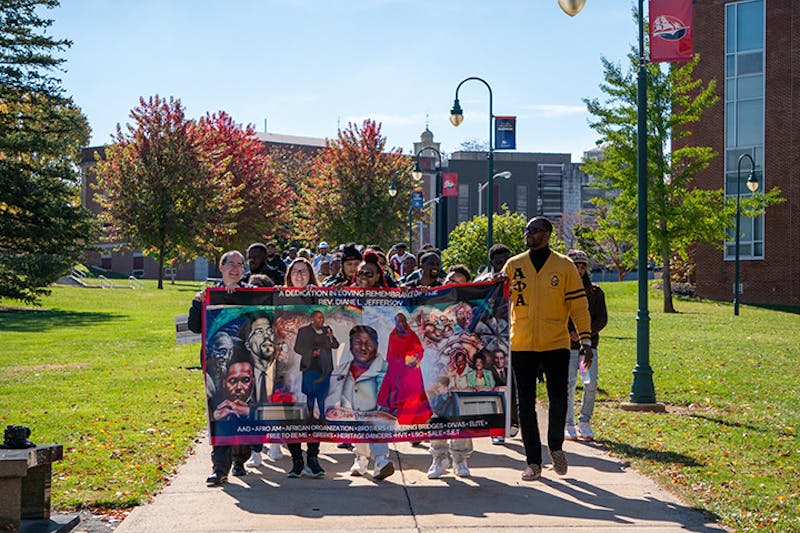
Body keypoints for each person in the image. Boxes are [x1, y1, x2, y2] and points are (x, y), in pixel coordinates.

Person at [500, 216, 592, 481]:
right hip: (522, 343)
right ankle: (533, 462)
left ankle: (555, 447)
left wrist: (585, 340)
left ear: (547, 234)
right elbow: (495, 299)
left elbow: (578, 306)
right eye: (527, 230)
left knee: (558, 398)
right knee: (525, 404)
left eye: (534, 230)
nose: (528, 233)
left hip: (555, 343)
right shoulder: (514, 265)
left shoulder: (564, 266)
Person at [188, 251, 254, 486]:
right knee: (220, 414)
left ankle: (240, 459)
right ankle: (219, 468)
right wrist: (197, 304)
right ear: (221, 267)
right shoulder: (209, 295)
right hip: (216, 366)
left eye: (240, 264)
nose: (235, 268)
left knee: (242, 412)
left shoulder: (252, 294)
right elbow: (194, 327)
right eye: (231, 264)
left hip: (244, 366)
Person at [329, 325, 395, 480]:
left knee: (375, 425)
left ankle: (380, 461)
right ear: (351, 346)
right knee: (358, 430)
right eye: (358, 343)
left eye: (368, 343)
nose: (363, 348)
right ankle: (361, 459)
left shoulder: (384, 368)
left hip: (375, 414)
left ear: (376, 345)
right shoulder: (344, 369)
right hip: (352, 412)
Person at [283, 259, 327, 478]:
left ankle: (312, 457)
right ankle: (296, 460)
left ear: (311, 275)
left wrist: (318, 295)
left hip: (314, 369)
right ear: (289, 276)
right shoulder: (280, 297)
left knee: (313, 413)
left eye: (304, 271)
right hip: (288, 366)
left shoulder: (319, 297)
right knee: (291, 414)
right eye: (295, 272)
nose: (299, 275)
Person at [564, 249, 607, 442]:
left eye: (582, 267)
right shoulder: (561, 291)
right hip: (568, 347)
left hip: (586, 348)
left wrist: (585, 333)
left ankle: (584, 421)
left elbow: (601, 319)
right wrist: (569, 332)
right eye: (576, 266)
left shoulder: (595, 292)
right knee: (569, 384)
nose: (579, 270)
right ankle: (568, 424)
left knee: (589, 382)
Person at [239, 310, 285, 466]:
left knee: (275, 408)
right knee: (253, 414)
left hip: (275, 380)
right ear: (248, 343)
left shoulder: (281, 368)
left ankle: (275, 444)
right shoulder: (243, 374)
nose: (266, 336)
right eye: (259, 332)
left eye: (269, 331)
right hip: (254, 388)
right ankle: (256, 451)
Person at [377, 313, 432, 425]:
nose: (400, 323)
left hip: (410, 368)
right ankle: (395, 412)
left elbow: (419, 350)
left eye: (402, 321)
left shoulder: (411, 334)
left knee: (414, 393)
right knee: (394, 391)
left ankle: (410, 418)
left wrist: (414, 357)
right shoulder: (393, 335)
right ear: (395, 323)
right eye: (398, 321)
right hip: (396, 368)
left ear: (405, 321)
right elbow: (390, 354)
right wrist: (396, 363)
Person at [428, 349, 474, 479]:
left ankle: (460, 460)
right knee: (436, 422)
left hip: (458, 399)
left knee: (462, 423)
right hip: (440, 406)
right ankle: (439, 458)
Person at [295, 310, 339, 420]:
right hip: (310, 367)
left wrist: (331, 337)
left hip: (325, 368)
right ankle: (310, 417)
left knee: (322, 394)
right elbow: (297, 348)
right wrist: (311, 353)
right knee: (310, 393)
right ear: (312, 319)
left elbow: (335, 345)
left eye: (323, 317)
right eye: (319, 317)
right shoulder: (304, 331)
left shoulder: (326, 330)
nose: (322, 320)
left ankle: (322, 416)